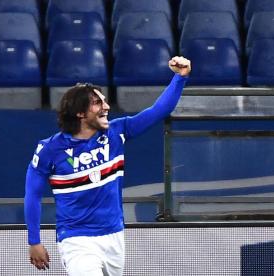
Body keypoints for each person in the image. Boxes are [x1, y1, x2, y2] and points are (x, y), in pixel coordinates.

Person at [24, 56, 191, 275]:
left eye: (104, 100)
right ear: (80, 113)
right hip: (76, 239)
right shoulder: (49, 150)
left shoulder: (116, 132)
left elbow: (158, 111)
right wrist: (34, 241)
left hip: (114, 236)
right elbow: (32, 194)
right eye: (98, 103)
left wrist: (180, 77)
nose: (107, 106)